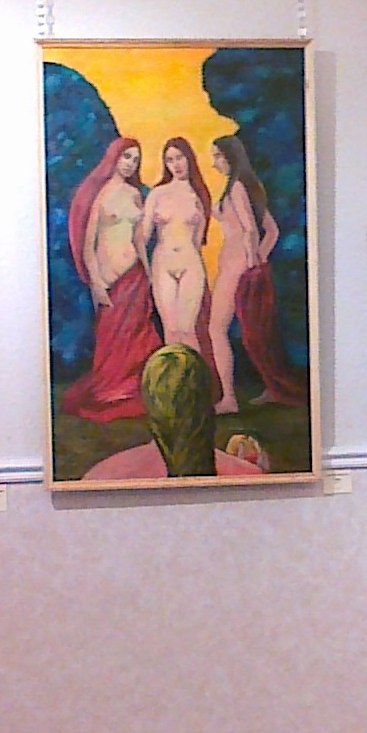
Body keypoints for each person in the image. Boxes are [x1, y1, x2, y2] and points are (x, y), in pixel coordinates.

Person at [61, 137, 164, 422]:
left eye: (135, 159)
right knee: (112, 339)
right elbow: (88, 246)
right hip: (110, 278)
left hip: (135, 275)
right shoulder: (100, 194)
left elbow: (138, 240)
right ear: (114, 157)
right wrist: (96, 283)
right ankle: (112, 390)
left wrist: (150, 274)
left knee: (138, 336)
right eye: (126, 157)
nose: (130, 164)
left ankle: (133, 389)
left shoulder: (135, 195)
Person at [207, 134, 304, 412]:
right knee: (257, 332)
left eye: (218, 156)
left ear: (230, 156)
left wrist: (251, 261)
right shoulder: (247, 187)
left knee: (216, 329)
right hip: (241, 265)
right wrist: (259, 257)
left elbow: (250, 228)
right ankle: (273, 387)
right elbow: (271, 230)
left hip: (235, 267)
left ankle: (228, 398)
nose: (214, 163)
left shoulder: (236, 187)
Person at [82, 344, 264, 481]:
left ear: (148, 401)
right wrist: (251, 463)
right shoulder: (248, 476)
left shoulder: (101, 477)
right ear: (207, 399)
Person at [136, 137, 214, 361]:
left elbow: (198, 241)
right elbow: (143, 236)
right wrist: (145, 269)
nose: (176, 164)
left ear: (189, 158)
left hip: (190, 264)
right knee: (171, 330)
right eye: (170, 160)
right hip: (163, 264)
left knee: (188, 331)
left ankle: (195, 380)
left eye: (179, 157)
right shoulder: (158, 194)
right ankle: (174, 381)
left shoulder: (199, 196)